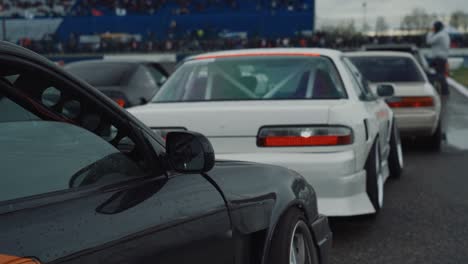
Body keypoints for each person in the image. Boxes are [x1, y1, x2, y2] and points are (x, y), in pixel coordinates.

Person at [426, 21, 450, 141]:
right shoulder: (444, 35)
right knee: (439, 75)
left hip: (438, 58)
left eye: (434, 27)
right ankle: (442, 89)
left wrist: (430, 33)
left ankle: (441, 89)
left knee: (437, 76)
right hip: (441, 57)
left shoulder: (439, 35)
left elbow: (429, 41)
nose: (433, 29)